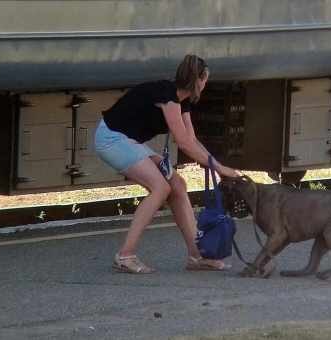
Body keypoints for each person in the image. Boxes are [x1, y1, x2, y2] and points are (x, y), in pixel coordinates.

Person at [94, 54, 240, 274]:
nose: (206, 83)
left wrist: (215, 164)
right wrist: (220, 168)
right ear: (198, 80)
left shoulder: (184, 102)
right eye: (205, 79)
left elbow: (191, 140)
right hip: (111, 138)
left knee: (178, 185)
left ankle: (196, 256)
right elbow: (182, 143)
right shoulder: (168, 96)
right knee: (160, 188)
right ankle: (125, 255)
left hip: (129, 141)